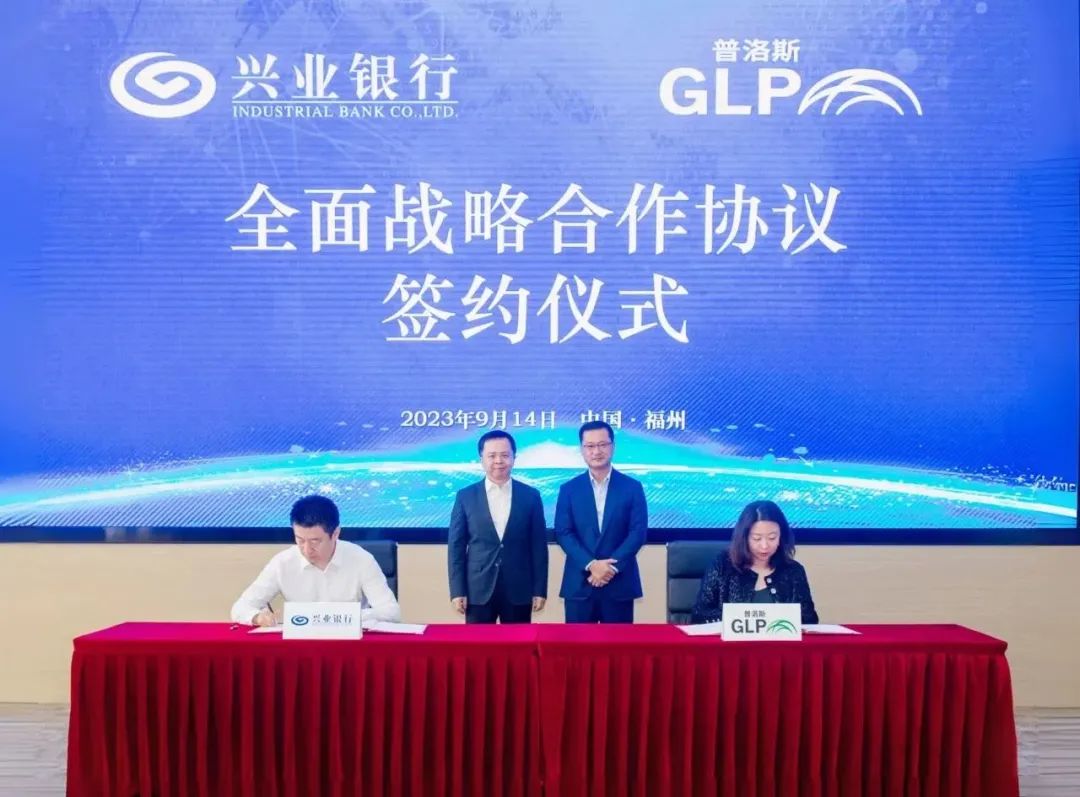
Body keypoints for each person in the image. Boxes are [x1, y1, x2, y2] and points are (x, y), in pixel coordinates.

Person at [230, 494, 400, 626]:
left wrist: (343, 617)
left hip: (350, 647)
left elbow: (391, 612)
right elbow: (240, 608)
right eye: (300, 540)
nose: (306, 550)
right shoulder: (283, 562)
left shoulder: (361, 559)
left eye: (315, 541)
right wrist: (257, 617)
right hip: (301, 650)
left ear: (335, 533)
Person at [448, 430, 548, 623]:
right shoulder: (465, 496)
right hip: (477, 589)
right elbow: (456, 547)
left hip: (519, 588)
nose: (498, 461)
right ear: (481, 459)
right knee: (478, 643)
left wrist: (539, 590)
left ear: (514, 458)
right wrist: (457, 590)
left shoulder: (531, 496)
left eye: (504, 455)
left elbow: (538, 547)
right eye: (492, 456)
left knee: (519, 643)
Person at [555, 420, 647, 623]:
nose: (596, 451)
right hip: (580, 583)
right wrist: (591, 564)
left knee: (619, 644)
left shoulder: (632, 487)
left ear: (613, 446)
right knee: (576, 644)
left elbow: (637, 533)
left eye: (602, 444)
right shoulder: (569, 489)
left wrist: (610, 568)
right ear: (582, 449)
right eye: (590, 446)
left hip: (619, 583)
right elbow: (563, 532)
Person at [691, 500, 818, 624]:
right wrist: (738, 618)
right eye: (757, 538)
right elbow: (699, 614)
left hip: (779, 639)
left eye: (772, 538)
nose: (764, 546)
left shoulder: (793, 571)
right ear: (744, 538)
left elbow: (809, 619)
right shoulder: (722, 566)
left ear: (781, 537)